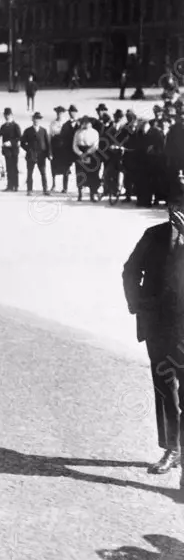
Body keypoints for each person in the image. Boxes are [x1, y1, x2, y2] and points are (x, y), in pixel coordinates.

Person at [122, 178, 184, 481]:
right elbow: (130, 270)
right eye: (175, 206)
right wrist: (137, 305)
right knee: (164, 387)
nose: (178, 212)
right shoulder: (154, 235)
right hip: (157, 324)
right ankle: (172, 447)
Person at [20, 112, 51, 196]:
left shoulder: (43, 130)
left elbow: (48, 143)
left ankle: (45, 189)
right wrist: (28, 150)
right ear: (32, 119)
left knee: (43, 173)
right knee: (30, 173)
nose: (36, 120)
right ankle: (29, 190)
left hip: (41, 155)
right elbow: (22, 143)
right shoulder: (28, 130)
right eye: (35, 118)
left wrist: (49, 154)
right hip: (31, 155)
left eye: (38, 119)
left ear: (40, 120)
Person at [73, 116, 101, 202]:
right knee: (80, 174)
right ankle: (80, 194)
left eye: (87, 122)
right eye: (84, 122)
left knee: (92, 174)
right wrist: (80, 153)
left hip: (91, 154)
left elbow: (96, 145)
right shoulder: (78, 132)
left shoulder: (95, 132)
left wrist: (88, 153)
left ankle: (92, 194)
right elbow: (74, 145)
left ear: (91, 123)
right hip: (80, 154)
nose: (85, 124)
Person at [0, 108, 22, 192]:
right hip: (6, 150)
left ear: (11, 115)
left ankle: (16, 185)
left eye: (8, 115)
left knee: (14, 167)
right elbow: (0, 134)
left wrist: (11, 142)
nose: (7, 116)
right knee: (8, 168)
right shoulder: (3, 126)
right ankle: (9, 185)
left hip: (14, 149)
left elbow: (19, 137)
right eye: (5, 115)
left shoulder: (15, 126)